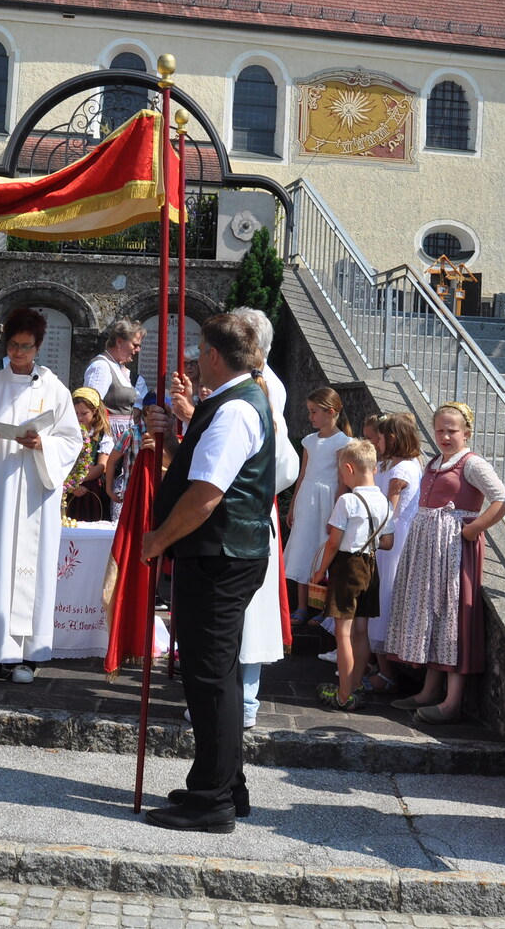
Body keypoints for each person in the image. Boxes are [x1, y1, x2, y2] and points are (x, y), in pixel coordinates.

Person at [140, 313, 274, 833]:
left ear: (215, 357)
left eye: (199, 352)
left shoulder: (235, 409)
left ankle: (212, 800)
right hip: (223, 553)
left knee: (210, 678)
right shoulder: (230, 403)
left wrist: (158, 540)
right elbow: (201, 468)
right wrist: (170, 440)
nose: (195, 362)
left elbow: (206, 495)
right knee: (218, 675)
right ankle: (224, 784)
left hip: (220, 556)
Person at [165, 306, 298, 730]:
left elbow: (237, 464)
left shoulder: (257, 390)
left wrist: (192, 415)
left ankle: (239, 701)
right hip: (236, 520)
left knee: (240, 624)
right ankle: (224, 701)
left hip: (237, 522)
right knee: (225, 630)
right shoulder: (242, 388)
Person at [0, 308, 84, 682]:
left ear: (38, 346)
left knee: (30, 570)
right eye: (13, 345)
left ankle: (26, 657)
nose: (18, 353)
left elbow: (71, 440)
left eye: (26, 346)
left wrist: (43, 444)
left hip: (32, 495)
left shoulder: (54, 390)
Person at [385, 401, 505, 723]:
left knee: (452, 616)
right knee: (432, 614)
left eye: (451, 431)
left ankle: (452, 702)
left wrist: (473, 529)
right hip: (429, 549)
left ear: (466, 433)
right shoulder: (435, 461)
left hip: (454, 550)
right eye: (440, 430)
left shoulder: (472, 463)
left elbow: (503, 498)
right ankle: (429, 690)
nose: (444, 436)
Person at [310, 440, 391, 710]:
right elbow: (387, 542)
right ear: (374, 469)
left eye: (341, 472)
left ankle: (343, 694)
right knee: (361, 630)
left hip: (347, 567)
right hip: (370, 566)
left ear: (348, 468)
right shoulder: (384, 501)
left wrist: (320, 571)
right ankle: (355, 686)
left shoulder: (347, 500)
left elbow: (334, 542)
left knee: (342, 633)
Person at [365, 413, 423, 694]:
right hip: (397, 537)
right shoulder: (406, 465)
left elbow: (388, 509)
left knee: (381, 600)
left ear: (392, 439)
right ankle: (381, 668)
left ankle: (386, 674)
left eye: (379, 438)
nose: (376, 443)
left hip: (392, 540)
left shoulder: (400, 472)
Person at [283, 387, 352, 623]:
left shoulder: (343, 442)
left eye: (314, 411)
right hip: (307, 499)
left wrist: (337, 513)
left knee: (325, 550)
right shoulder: (309, 441)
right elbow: (302, 475)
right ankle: (302, 606)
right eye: (309, 411)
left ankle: (324, 609)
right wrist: (293, 505)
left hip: (328, 501)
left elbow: (343, 481)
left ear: (330, 412)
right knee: (303, 548)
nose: (310, 416)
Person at [83, 319, 148, 439]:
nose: (138, 350)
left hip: (122, 439)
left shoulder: (117, 367)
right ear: (119, 342)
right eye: (135, 345)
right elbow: (90, 407)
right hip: (108, 438)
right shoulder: (101, 366)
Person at [64, 386, 115, 522]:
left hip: (91, 488)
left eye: (84, 413)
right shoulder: (65, 432)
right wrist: (70, 485)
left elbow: (101, 467)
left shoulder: (102, 434)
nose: (79, 417)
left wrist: (76, 481)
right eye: (75, 413)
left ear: (95, 412)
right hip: (66, 485)